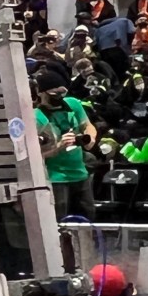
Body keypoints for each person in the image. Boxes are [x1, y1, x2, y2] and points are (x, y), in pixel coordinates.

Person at [34, 68, 97, 219]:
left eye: (62, 93)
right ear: (41, 93)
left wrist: (89, 138)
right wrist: (58, 148)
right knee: (60, 220)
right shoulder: (35, 117)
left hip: (80, 173)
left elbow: (87, 125)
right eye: (54, 94)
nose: (59, 97)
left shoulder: (72, 104)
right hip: (56, 178)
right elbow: (35, 155)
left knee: (88, 217)